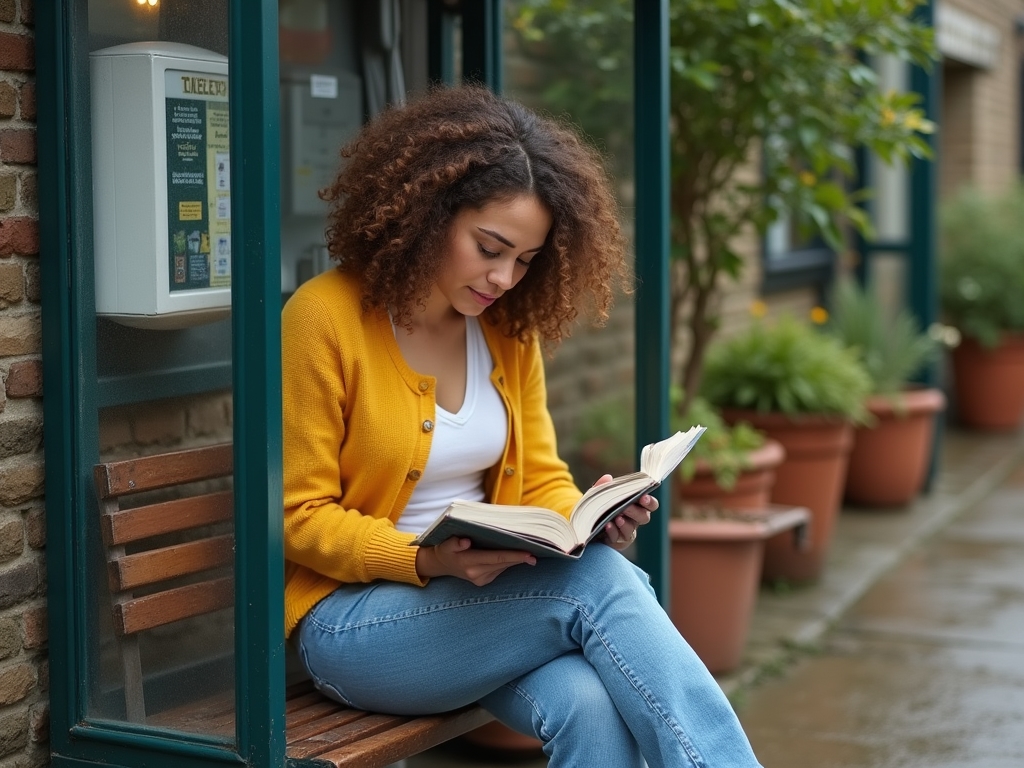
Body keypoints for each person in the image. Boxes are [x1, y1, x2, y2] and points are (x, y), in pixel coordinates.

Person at [281, 84, 763, 768]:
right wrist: (424, 558)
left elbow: (539, 477)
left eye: (526, 261)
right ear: (428, 213)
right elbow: (296, 516)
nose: (505, 278)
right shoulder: (322, 319)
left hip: (480, 609)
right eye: (489, 248)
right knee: (601, 584)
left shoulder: (505, 331)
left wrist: (586, 518)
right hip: (351, 626)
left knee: (590, 706)